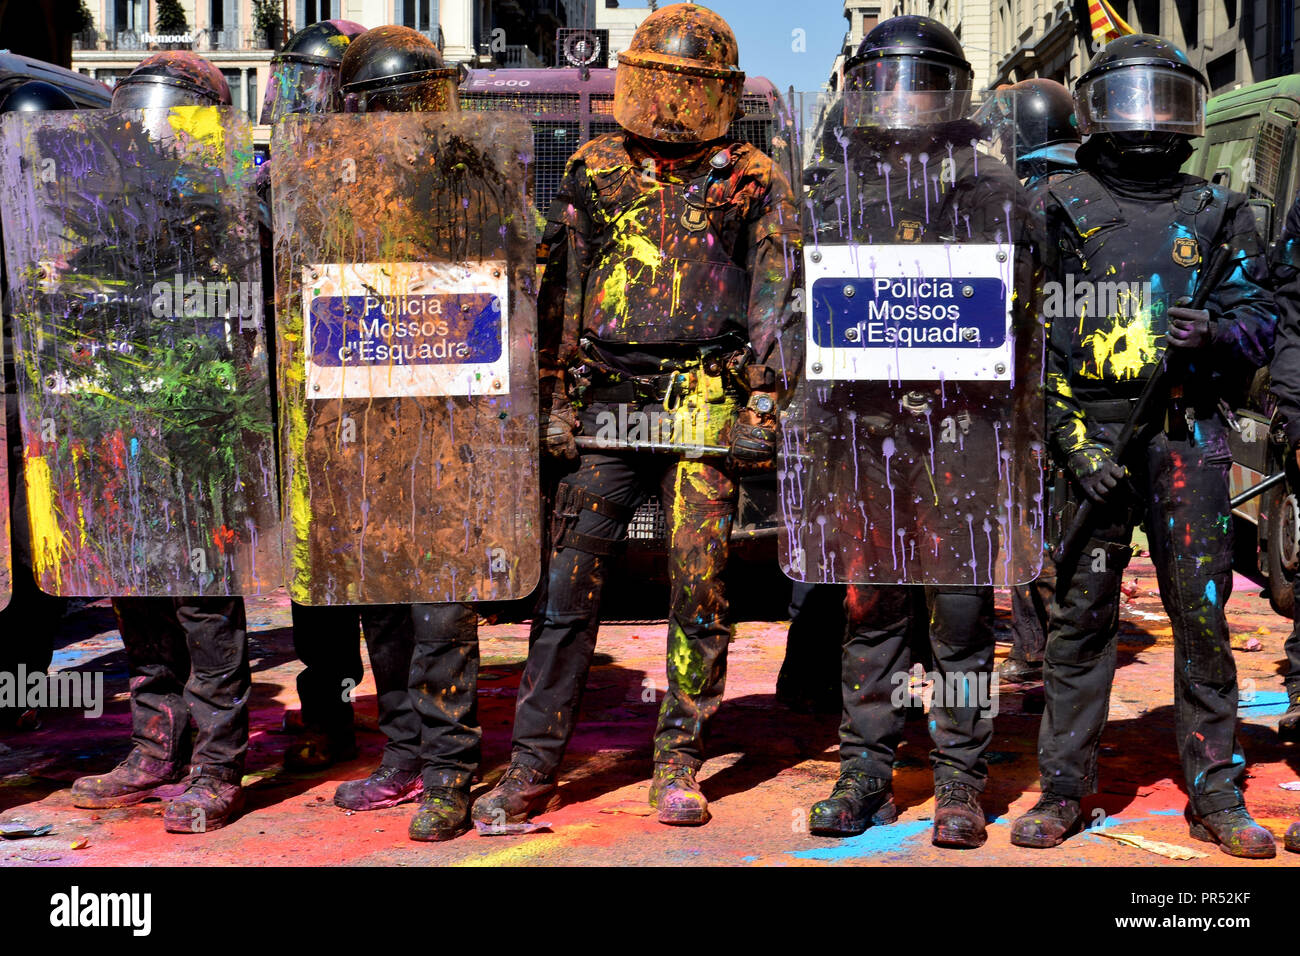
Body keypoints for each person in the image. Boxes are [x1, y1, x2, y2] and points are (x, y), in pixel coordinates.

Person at [471, 1, 800, 828]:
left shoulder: (753, 177)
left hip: (704, 401)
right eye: (662, 87)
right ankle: (533, 764)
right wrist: (551, 399)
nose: (672, 107)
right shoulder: (595, 166)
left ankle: (679, 760)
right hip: (608, 400)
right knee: (566, 592)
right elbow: (564, 286)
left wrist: (763, 398)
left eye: (687, 89)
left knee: (701, 591)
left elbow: (776, 298)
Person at [1009, 35, 1278, 859]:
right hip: (1086, 439)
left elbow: (1264, 322)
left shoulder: (1219, 211)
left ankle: (1216, 794)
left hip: (1184, 435)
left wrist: (1217, 335)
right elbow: (1023, 344)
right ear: (1095, 110)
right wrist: (1068, 441)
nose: (1150, 121)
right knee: (1079, 622)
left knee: (1201, 620)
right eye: (1136, 100)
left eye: (1165, 101)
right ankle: (1063, 790)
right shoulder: (1050, 206)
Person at [797, 16, 1039, 849]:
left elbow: (1024, 323)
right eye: (889, 82)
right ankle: (864, 770)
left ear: (954, 92)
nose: (904, 101)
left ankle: (961, 783)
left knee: (963, 618)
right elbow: (801, 315)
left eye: (921, 83)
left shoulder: (989, 188)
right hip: (864, 437)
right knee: (871, 612)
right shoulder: (832, 190)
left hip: (959, 434)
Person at [62, 52, 256, 833]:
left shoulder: (231, 206)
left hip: (199, 427)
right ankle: (153, 742)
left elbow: (247, 314)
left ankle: (216, 764)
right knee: (135, 585)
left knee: (203, 604)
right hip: (125, 420)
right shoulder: (103, 209)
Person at [987, 77, 1082, 685]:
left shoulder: (1024, 201)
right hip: (1089, 380)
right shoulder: (1095, 191)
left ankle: (1038, 649)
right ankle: (1064, 643)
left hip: (1032, 383)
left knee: (1028, 518)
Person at [0, 81, 75, 732]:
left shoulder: (81, 215)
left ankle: (19, 686)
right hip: (12, 396)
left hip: (45, 401)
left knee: (39, 557)